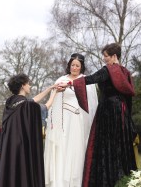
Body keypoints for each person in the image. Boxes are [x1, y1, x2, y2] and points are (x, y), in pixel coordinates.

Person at [59, 43, 137, 187]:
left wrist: (70, 83)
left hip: (108, 112)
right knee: (120, 148)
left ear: (114, 56)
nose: (104, 59)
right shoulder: (125, 72)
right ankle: (124, 180)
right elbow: (129, 96)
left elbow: (89, 79)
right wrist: (128, 118)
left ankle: (106, 181)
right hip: (122, 113)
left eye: (106, 56)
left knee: (105, 146)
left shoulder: (108, 70)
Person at [44, 53, 98, 187]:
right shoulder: (61, 79)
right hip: (60, 121)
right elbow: (53, 99)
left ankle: (74, 182)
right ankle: (58, 181)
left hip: (77, 120)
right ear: (69, 65)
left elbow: (90, 104)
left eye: (77, 66)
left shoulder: (86, 81)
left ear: (82, 67)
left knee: (74, 149)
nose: (74, 68)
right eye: (72, 65)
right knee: (60, 148)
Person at [0, 73, 57, 187]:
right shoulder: (27, 106)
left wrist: (49, 89)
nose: (30, 86)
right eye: (28, 84)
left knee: (11, 170)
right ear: (23, 86)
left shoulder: (10, 103)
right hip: (22, 145)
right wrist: (55, 93)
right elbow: (45, 107)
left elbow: (31, 101)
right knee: (23, 172)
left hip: (10, 146)